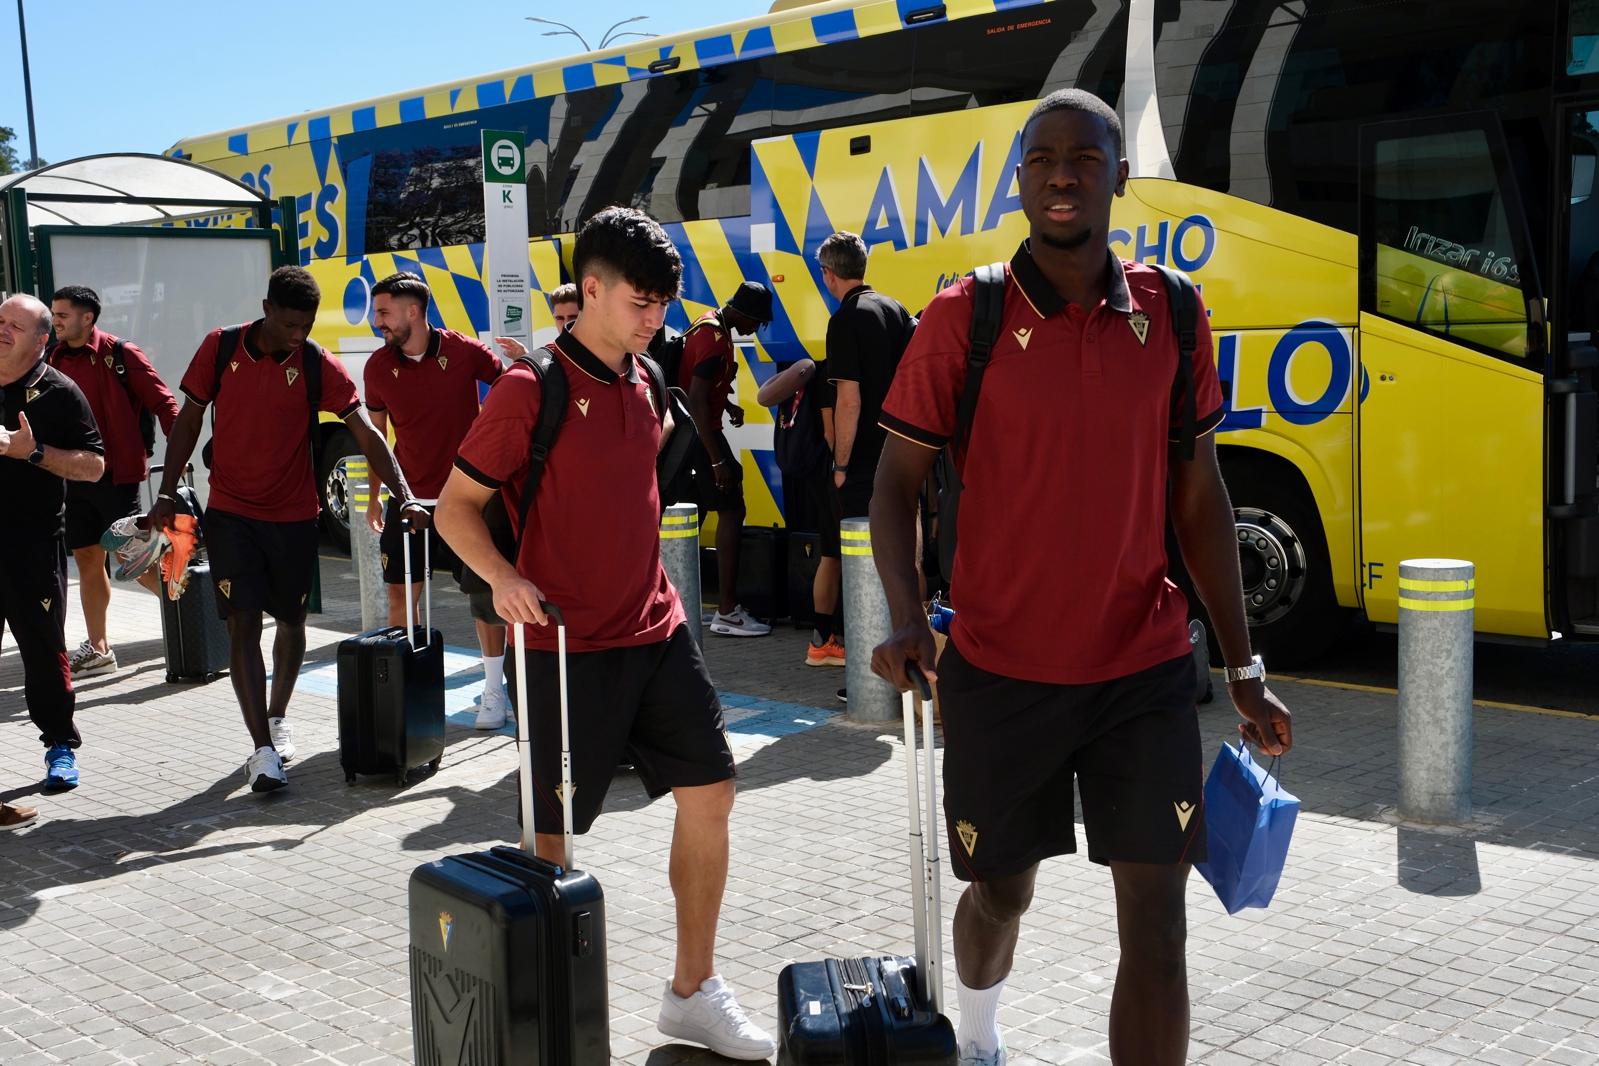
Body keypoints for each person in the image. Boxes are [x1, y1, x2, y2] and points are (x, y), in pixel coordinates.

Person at [868, 90, 1295, 1066]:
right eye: (1042, 159)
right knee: (1000, 890)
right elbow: (894, 486)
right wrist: (904, 618)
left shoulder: (1176, 314)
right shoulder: (961, 314)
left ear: (1121, 175)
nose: (1063, 175)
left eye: (1085, 157)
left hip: (1139, 671)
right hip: (999, 668)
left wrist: (1242, 668)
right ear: (1021, 180)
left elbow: (1201, 498)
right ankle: (978, 1034)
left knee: (1158, 920)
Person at [437, 206, 775, 1062]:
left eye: (662, 302)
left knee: (713, 795)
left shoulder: (649, 381)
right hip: (562, 652)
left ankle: (692, 992)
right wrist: (505, 578)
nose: (653, 317)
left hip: (655, 631)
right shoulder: (530, 389)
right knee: (552, 837)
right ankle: (550, 1011)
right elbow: (456, 509)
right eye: (638, 300)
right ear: (588, 289)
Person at [148, 266, 427, 793]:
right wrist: (166, 492)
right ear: (268, 309)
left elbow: (366, 435)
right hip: (232, 513)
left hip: (295, 515)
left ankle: (277, 716)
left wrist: (405, 495)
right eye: (291, 324)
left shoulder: (317, 364)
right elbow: (188, 420)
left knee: (292, 622)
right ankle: (261, 750)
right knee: (243, 625)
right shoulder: (222, 347)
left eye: (308, 325)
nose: (300, 335)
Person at [363, 271, 513, 728]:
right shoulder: (375, 367)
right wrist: (374, 498)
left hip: (468, 501)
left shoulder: (465, 351)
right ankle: (404, 692)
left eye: (385, 313)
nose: (378, 322)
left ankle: (494, 691)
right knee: (398, 601)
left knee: (486, 598)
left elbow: (513, 391)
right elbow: (376, 439)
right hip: (408, 504)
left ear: (414, 311)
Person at [0, 295, 107, 792]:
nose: (2, 330)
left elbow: (94, 465)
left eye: (15, 326)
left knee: (44, 651)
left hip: (32, 544)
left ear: (41, 340)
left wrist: (34, 452)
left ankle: (60, 745)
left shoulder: (60, 392)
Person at [46, 285, 180, 678]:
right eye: (53, 314)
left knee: (132, 558)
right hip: (72, 475)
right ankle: (99, 648)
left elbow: (164, 403)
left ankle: (191, 619)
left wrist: (180, 457)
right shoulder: (52, 357)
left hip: (116, 475)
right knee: (88, 557)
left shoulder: (121, 354)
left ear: (87, 318)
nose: (55, 321)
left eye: (62, 315)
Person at [677, 281, 773, 637]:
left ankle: (684, 603)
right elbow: (697, 399)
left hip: (692, 434)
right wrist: (717, 461)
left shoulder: (707, 324)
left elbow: (703, 389)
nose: (755, 330)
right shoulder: (716, 340)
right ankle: (728, 611)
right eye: (757, 322)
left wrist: (727, 403)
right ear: (744, 314)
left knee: (694, 514)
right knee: (732, 509)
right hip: (702, 437)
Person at [820, 231, 915, 520]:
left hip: (863, 464)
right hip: (900, 455)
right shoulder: (896, 309)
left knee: (862, 555)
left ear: (828, 273)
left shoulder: (843, 321)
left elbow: (849, 401)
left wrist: (841, 467)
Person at [757, 356, 844, 667]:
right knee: (838, 555)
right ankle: (823, 643)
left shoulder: (819, 370)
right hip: (834, 476)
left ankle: (822, 640)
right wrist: (843, 469)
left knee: (832, 556)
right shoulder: (835, 373)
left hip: (820, 477)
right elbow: (831, 428)